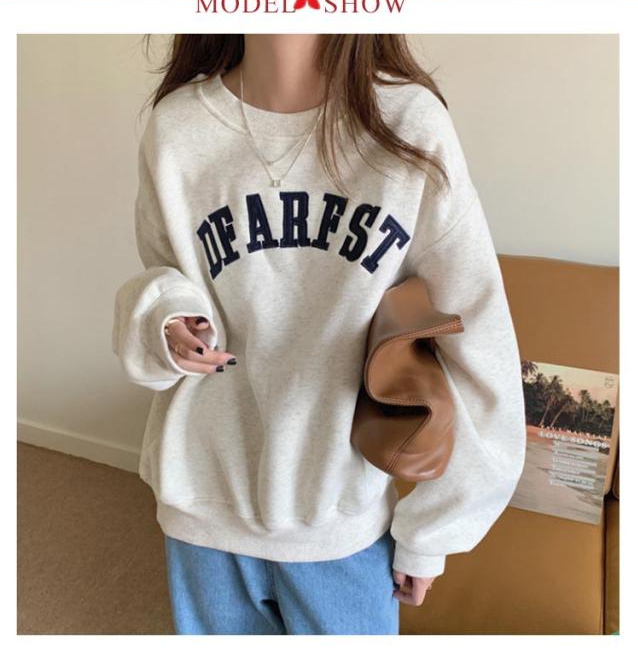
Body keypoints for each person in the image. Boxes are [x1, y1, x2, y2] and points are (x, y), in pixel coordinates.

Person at [111, 34, 526, 635]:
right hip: (201, 499)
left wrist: (434, 530)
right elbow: (162, 275)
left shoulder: (407, 122)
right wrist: (166, 319)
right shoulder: (177, 127)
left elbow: (477, 330)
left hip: (340, 518)